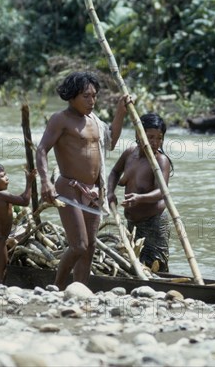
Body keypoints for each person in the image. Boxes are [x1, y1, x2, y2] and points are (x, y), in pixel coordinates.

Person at [36, 71, 129, 290]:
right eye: (86, 96)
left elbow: (111, 143)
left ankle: (80, 290)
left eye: (94, 96)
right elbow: (42, 150)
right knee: (78, 245)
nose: (92, 101)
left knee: (89, 248)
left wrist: (120, 112)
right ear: (72, 96)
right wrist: (45, 182)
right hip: (69, 188)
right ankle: (56, 288)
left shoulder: (94, 121)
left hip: (94, 190)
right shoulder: (61, 120)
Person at [107, 113, 173, 272]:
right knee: (135, 263)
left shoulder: (161, 161)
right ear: (138, 134)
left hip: (154, 224)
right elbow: (115, 172)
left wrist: (140, 198)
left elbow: (162, 192)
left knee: (156, 267)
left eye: (159, 138)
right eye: (150, 137)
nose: (155, 142)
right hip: (133, 223)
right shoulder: (130, 153)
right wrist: (110, 192)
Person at [0, 162, 36, 285]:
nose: (7, 178)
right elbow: (25, 201)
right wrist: (29, 182)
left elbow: (17, 199)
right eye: (3, 176)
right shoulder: (3, 195)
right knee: (1, 275)